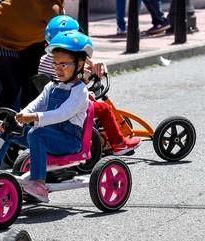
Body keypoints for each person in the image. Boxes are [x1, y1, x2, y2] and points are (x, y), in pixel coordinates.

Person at [0, 0, 93, 145]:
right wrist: (87, 59)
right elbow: (65, 40)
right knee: (12, 87)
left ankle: (25, 131)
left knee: (31, 83)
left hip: (22, 40)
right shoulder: (51, 3)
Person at [0, 31, 92, 202]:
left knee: (36, 134)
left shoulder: (80, 91)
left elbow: (63, 113)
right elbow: (37, 103)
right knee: (8, 129)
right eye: (56, 64)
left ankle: (38, 184)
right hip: (47, 134)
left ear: (80, 63)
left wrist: (35, 117)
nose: (58, 69)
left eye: (64, 65)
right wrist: (21, 116)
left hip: (69, 140)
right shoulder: (52, 86)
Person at [39, 15, 141, 155]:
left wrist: (92, 66)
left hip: (56, 103)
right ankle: (119, 144)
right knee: (104, 108)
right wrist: (85, 81)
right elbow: (70, 85)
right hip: (68, 105)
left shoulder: (46, 59)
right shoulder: (64, 61)